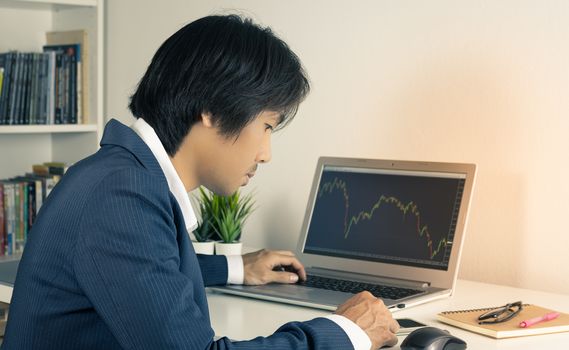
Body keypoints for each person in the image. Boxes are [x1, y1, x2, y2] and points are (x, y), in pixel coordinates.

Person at [2, 15, 399, 349]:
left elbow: (145, 270)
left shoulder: (122, 174)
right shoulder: (121, 195)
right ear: (211, 109)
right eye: (265, 126)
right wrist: (346, 333)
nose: (265, 153)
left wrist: (236, 268)